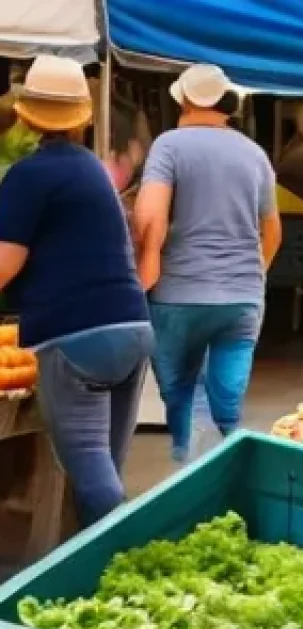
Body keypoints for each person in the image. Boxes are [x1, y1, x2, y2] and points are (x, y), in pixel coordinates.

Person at [0, 56, 152, 526]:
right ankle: (105, 554)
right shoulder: (91, 168)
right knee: (106, 468)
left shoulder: (29, 175)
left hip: (77, 336)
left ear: (26, 115)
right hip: (132, 326)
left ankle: (124, 556)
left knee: (90, 472)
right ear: (80, 117)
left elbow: (4, 264)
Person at [133, 64, 282, 465]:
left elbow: (150, 216)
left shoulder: (169, 146)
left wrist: (146, 268)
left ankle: (194, 462)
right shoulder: (255, 154)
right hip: (242, 296)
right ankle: (225, 463)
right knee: (227, 400)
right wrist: (251, 275)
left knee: (182, 392)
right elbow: (272, 231)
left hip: (178, 292)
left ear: (183, 99)